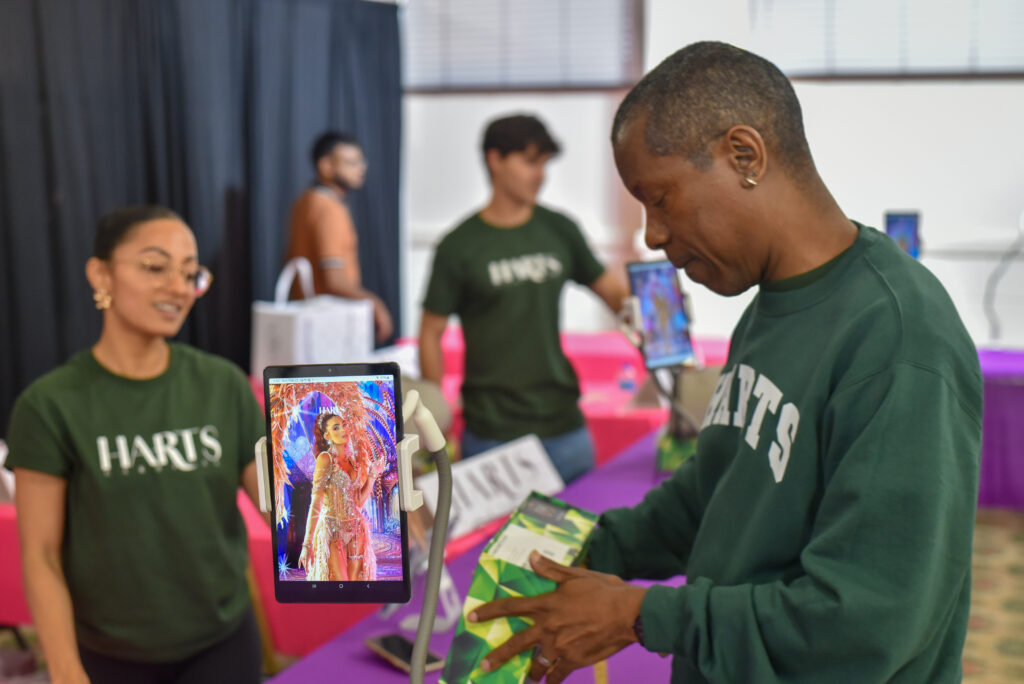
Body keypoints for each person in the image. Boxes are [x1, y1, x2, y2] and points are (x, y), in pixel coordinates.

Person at [466, 42, 983, 684]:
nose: (651, 234)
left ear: (745, 155)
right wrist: (590, 547)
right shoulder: (768, 309)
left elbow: (863, 625)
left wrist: (640, 614)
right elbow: (717, 492)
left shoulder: (899, 336)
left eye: (658, 198)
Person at [6, 205, 267, 683]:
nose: (178, 287)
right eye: (154, 266)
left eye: (191, 274)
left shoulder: (222, 385)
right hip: (108, 656)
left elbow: (280, 506)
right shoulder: (49, 406)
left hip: (222, 644)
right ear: (100, 273)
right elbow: (40, 555)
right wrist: (64, 667)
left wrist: (370, 495)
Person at [418, 114, 629, 483]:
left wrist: (657, 307)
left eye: (545, 163)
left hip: (564, 426)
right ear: (495, 160)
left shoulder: (559, 229)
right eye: (531, 161)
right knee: (493, 542)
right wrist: (439, 422)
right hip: (491, 433)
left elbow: (613, 293)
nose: (541, 174)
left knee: (584, 538)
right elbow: (430, 333)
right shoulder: (459, 245)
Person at [284, 130, 394, 343]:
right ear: (325, 165)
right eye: (351, 163)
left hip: (306, 323)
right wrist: (376, 304)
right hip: (328, 326)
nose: (361, 169)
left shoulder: (304, 201)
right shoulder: (329, 208)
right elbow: (335, 279)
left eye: (361, 162)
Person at [298, 411, 379, 582]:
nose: (343, 430)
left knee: (357, 584)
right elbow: (316, 501)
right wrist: (307, 544)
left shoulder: (352, 461)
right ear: (327, 435)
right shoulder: (325, 459)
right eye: (336, 428)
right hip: (333, 531)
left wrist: (372, 477)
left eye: (344, 425)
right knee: (340, 583)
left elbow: (357, 502)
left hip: (357, 530)